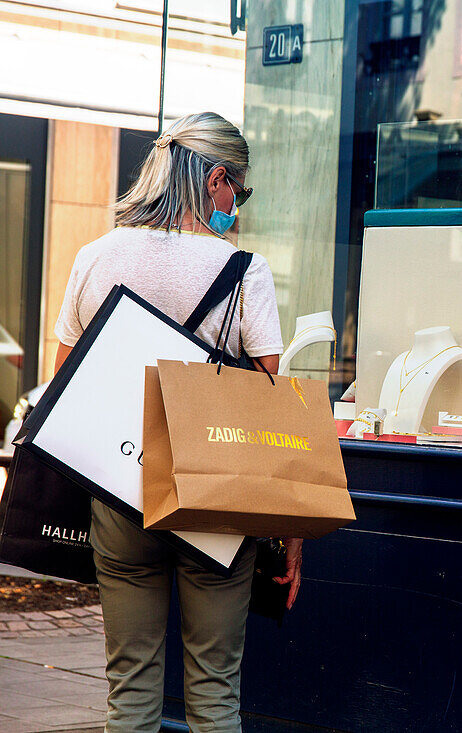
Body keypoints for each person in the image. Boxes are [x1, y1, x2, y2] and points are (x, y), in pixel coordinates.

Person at [53, 111, 303, 733]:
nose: (238, 208)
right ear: (215, 180)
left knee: (130, 689)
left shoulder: (95, 256)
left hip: (122, 493)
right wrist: (289, 528)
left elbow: (66, 383)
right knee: (215, 694)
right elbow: (268, 412)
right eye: (238, 192)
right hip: (214, 502)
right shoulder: (247, 272)